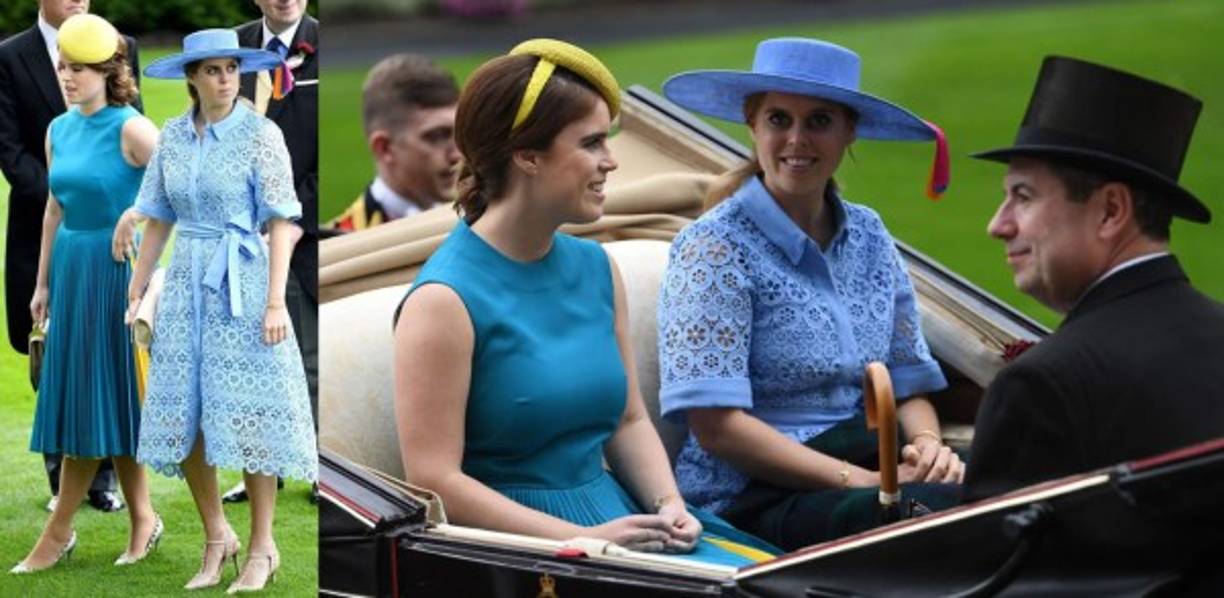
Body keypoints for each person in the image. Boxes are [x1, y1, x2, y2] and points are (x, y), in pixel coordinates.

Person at [393, 38, 778, 566]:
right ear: (527, 155)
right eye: (592, 143)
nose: (611, 162)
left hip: (620, 519)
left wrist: (669, 504)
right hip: (528, 550)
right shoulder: (443, 301)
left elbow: (627, 420)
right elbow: (435, 480)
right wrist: (583, 543)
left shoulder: (596, 267)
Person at [657, 37, 963, 551]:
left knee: (1008, 487)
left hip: (866, 460)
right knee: (934, 511)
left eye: (819, 121)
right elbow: (717, 429)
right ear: (752, 125)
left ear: (849, 132)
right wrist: (864, 481)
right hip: (753, 495)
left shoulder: (868, 232)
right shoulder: (712, 248)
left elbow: (907, 381)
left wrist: (929, 449)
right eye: (779, 119)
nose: (797, 139)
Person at [962, 56, 1224, 502]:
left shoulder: (1042, 385)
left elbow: (991, 566)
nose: (998, 225)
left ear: (1111, 211)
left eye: (1022, 197)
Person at [128, 29, 317, 592]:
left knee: (252, 413)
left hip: (247, 279)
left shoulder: (263, 134)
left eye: (231, 68)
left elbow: (283, 221)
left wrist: (276, 299)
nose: (225, 79)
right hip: (186, 283)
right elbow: (157, 216)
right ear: (191, 77)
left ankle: (263, 546)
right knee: (185, 414)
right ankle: (218, 537)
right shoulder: (172, 136)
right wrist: (137, 291)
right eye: (212, 70)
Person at [9, 13, 160, 575]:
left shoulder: (133, 128)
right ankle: (143, 518)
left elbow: (178, 188)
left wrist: (136, 214)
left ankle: (58, 531)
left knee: (100, 401)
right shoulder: (57, 129)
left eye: (77, 69)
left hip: (118, 273)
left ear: (108, 70)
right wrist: (43, 282)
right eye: (62, 67)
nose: (66, 77)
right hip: (71, 272)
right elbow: (53, 206)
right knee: (103, 401)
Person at [222, 0, 319, 505]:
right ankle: (261, 466)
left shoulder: (324, 45)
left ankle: (330, 476)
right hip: (236, 238)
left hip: (302, 236)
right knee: (245, 359)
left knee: (309, 360)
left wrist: (295, 220)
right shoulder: (230, 49)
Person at [327, 53, 460, 232]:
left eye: (460, 133)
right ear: (385, 148)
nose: (457, 154)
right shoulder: (338, 248)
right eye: (436, 136)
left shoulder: (480, 222)